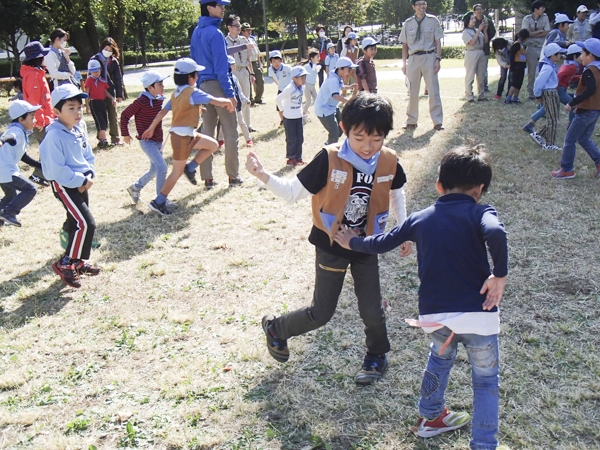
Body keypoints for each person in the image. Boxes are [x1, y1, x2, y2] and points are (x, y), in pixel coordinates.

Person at [334, 147, 508, 449]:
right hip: (478, 315)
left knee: (439, 362)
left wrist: (353, 241)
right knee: (485, 382)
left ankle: (430, 417)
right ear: (480, 189)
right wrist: (500, 275)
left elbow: (383, 242)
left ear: (438, 184)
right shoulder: (482, 212)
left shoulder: (420, 218)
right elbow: (496, 233)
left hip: (436, 316)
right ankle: (483, 444)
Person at [246, 94, 411, 386]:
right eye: (359, 137)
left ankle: (376, 355)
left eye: (376, 138)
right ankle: (276, 329)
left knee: (372, 309)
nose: (367, 146)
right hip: (331, 245)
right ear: (344, 128)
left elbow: (396, 193)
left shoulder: (389, 160)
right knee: (321, 312)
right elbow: (292, 193)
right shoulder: (330, 157)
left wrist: (404, 228)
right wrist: (262, 175)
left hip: (364, 245)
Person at [140, 58, 233, 215]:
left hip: (187, 134)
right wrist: (228, 101)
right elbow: (215, 101)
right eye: (196, 74)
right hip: (182, 137)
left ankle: (190, 168)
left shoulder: (176, 93)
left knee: (213, 145)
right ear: (191, 77)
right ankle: (159, 202)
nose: (197, 76)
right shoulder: (192, 92)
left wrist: (151, 127)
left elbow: (163, 112)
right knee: (176, 171)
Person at [39, 84, 100, 289]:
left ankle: (78, 262)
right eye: (71, 108)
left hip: (82, 181)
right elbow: (57, 170)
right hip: (65, 185)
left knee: (76, 223)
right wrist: (81, 181)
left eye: (79, 107)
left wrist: (89, 174)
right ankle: (65, 263)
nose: (77, 112)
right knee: (86, 223)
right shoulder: (54, 136)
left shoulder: (79, 128)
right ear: (56, 112)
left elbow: (87, 155)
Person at [190, 0, 243, 190]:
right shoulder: (216, 33)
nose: (223, 9)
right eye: (220, 6)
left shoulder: (196, 32)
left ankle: (208, 178)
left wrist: (195, 89)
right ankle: (233, 176)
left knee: (207, 133)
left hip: (201, 86)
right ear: (209, 8)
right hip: (218, 86)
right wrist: (230, 94)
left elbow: (193, 64)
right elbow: (222, 69)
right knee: (230, 132)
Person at [552, 38, 600, 179]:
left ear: (590, 56)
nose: (580, 57)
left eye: (582, 53)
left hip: (586, 111)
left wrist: (573, 102)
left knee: (569, 139)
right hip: (595, 110)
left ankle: (567, 169)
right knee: (584, 138)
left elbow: (590, 90)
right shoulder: (598, 69)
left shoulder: (590, 70)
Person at [120, 70, 170, 205]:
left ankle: (135, 188)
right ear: (150, 87)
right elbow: (124, 115)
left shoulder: (159, 100)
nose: (163, 86)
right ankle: (161, 200)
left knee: (154, 170)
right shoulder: (141, 101)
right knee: (162, 167)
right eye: (160, 84)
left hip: (158, 140)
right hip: (147, 142)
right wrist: (125, 133)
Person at [400, 0, 444, 130]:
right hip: (413, 58)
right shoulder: (408, 23)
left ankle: (437, 121)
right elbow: (404, 45)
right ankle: (411, 120)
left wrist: (437, 59)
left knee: (433, 89)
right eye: (418, 4)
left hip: (429, 56)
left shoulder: (433, 20)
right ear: (413, 7)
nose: (421, 6)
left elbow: (438, 41)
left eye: (423, 3)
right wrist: (404, 63)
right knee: (412, 91)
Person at [523, 44, 581, 140]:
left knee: (546, 108)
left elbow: (566, 76)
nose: (561, 56)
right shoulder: (571, 67)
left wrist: (578, 77)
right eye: (581, 55)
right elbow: (558, 76)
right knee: (573, 105)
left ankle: (530, 124)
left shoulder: (566, 63)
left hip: (557, 89)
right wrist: (554, 88)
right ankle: (570, 128)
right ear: (575, 56)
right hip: (558, 90)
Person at [0, 101, 42, 227]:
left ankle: (2, 217)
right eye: (32, 117)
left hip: (4, 170)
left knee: (10, 196)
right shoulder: (16, 132)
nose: (34, 120)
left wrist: (40, 165)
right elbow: (11, 138)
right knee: (30, 189)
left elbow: (23, 156)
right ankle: (9, 213)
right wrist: (2, 140)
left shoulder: (20, 131)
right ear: (21, 119)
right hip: (6, 170)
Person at [525, 43, 565, 151]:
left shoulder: (550, 65)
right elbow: (539, 82)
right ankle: (549, 144)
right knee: (552, 120)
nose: (560, 55)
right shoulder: (547, 67)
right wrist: (537, 95)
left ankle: (538, 134)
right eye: (559, 54)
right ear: (553, 55)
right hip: (549, 93)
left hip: (553, 92)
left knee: (554, 118)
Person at [314, 57, 358, 145]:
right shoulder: (333, 80)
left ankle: (330, 143)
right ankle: (329, 150)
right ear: (340, 69)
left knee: (343, 126)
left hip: (332, 107)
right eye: (348, 69)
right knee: (334, 131)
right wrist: (348, 101)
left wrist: (349, 87)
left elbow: (340, 87)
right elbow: (336, 95)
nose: (350, 72)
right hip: (324, 110)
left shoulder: (336, 77)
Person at [91, 38, 124, 145]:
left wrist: (119, 94)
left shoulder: (113, 61)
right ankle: (101, 139)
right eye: (106, 49)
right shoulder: (95, 59)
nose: (108, 51)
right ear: (102, 48)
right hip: (97, 92)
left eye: (110, 50)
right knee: (100, 116)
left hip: (110, 91)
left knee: (112, 115)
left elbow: (118, 79)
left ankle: (115, 138)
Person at [225, 15, 254, 133]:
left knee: (246, 98)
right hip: (232, 72)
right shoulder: (225, 41)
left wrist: (251, 73)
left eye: (239, 25)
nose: (238, 28)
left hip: (243, 70)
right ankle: (235, 127)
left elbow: (248, 58)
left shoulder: (244, 40)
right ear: (229, 27)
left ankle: (248, 126)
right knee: (234, 100)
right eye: (236, 25)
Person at [20, 41, 54, 144]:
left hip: (46, 118)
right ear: (38, 58)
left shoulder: (37, 73)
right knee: (48, 149)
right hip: (42, 121)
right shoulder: (32, 75)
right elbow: (33, 100)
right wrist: (39, 120)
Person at [276, 65, 307, 166]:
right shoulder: (289, 88)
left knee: (300, 138)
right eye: (301, 77)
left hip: (298, 116)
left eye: (305, 77)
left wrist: (302, 111)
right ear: (294, 78)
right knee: (291, 138)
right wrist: (283, 110)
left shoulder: (302, 87)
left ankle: (298, 158)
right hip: (289, 118)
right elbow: (278, 99)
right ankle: (291, 158)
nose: (304, 79)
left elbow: (299, 100)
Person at [219, 55, 253, 147]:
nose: (234, 66)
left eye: (234, 64)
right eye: (232, 65)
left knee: (241, 122)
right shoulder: (222, 79)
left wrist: (245, 99)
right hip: (227, 106)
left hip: (236, 105)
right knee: (223, 124)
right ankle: (220, 140)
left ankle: (248, 139)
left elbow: (239, 92)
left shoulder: (235, 78)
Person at [522, 1, 551, 100]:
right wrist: (540, 31)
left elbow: (547, 31)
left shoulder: (545, 17)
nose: (543, 10)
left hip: (542, 47)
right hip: (531, 47)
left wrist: (533, 33)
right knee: (531, 71)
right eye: (541, 8)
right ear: (536, 9)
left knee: (543, 70)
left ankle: (542, 91)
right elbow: (525, 34)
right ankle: (531, 93)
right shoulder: (527, 19)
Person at [84, 59, 114, 149]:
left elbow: (105, 92)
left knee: (104, 122)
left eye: (97, 71)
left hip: (102, 102)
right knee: (100, 122)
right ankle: (104, 141)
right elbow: (87, 93)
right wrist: (87, 105)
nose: (95, 73)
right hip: (94, 102)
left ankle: (101, 141)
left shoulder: (103, 80)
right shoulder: (89, 80)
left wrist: (112, 97)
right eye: (93, 72)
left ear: (100, 69)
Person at [462, 12, 488, 103]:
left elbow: (485, 41)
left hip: (480, 52)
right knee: (470, 75)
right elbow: (472, 42)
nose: (474, 20)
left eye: (474, 18)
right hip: (471, 52)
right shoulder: (466, 32)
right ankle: (469, 96)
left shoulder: (477, 30)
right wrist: (478, 30)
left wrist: (484, 30)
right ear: (467, 21)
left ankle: (481, 95)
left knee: (481, 75)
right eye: (472, 19)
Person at [472, 4, 496, 93]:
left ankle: (484, 86)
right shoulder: (472, 21)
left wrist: (486, 35)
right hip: (474, 48)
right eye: (477, 10)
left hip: (484, 48)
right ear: (474, 11)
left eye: (480, 9)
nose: (479, 11)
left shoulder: (488, 21)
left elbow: (493, 32)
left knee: (484, 69)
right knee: (472, 69)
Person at [267, 50, 293, 126]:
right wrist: (278, 84)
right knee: (279, 105)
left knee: (290, 104)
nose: (276, 63)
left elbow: (293, 74)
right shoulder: (270, 69)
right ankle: (282, 120)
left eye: (278, 61)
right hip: (281, 89)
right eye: (274, 61)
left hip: (289, 88)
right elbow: (272, 77)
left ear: (281, 61)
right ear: (271, 62)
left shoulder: (286, 67)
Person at [241, 23, 264, 106]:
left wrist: (260, 64)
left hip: (254, 62)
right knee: (248, 82)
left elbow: (257, 53)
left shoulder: (252, 39)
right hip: (246, 63)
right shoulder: (240, 41)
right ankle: (250, 100)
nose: (249, 32)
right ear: (242, 31)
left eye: (250, 30)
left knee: (260, 80)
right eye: (247, 30)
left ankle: (258, 98)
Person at [505, 29, 530, 104]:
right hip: (517, 66)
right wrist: (512, 65)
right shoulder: (517, 44)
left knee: (519, 83)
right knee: (515, 83)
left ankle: (515, 98)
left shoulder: (521, 44)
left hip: (521, 65)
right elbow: (512, 53)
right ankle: (508, 98)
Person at [302, 49, 321, 117]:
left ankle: (304, 107)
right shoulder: (306, 66)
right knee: (309, 101)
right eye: (317, 57)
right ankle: (303, 114)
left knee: (316, 100)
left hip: (313, 86)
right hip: (307, 85)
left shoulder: (316, 66)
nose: (319, 58)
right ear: (312, 58)